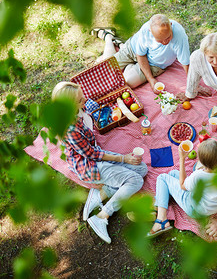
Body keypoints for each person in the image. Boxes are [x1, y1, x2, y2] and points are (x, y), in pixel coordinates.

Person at [52, 81, 148, 244]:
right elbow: (92, 154)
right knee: (135, 180)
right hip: (88, 165)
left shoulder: (75, 113)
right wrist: (123, 158)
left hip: (95, 154)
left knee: (142, 168)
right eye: (80, 100)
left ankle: (101, 193)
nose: (84, 101)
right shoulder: (70, 129)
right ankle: (102, 216)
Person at [148, 138, 217, 237]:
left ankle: (161, 220)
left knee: (162, 178)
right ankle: (160, 203)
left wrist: (182, 159)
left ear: (202, 162)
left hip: (195, 209)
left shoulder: (199, 176)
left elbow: (182, 185)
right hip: (215, 206)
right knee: (172, 174)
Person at [93, 14, 192, 94]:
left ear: (170, 25)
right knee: (105, 69)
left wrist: (193, 85)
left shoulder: (179, 35)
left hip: (155, 63)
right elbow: (140, 55)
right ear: (150, 32)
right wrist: (150, 79)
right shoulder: (145, 30)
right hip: (133, 49)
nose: (165, 42)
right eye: (160, 41)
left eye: (168, 38)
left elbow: (185, 62)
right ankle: (108, 37)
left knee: (127, 81)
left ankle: (123, 54)